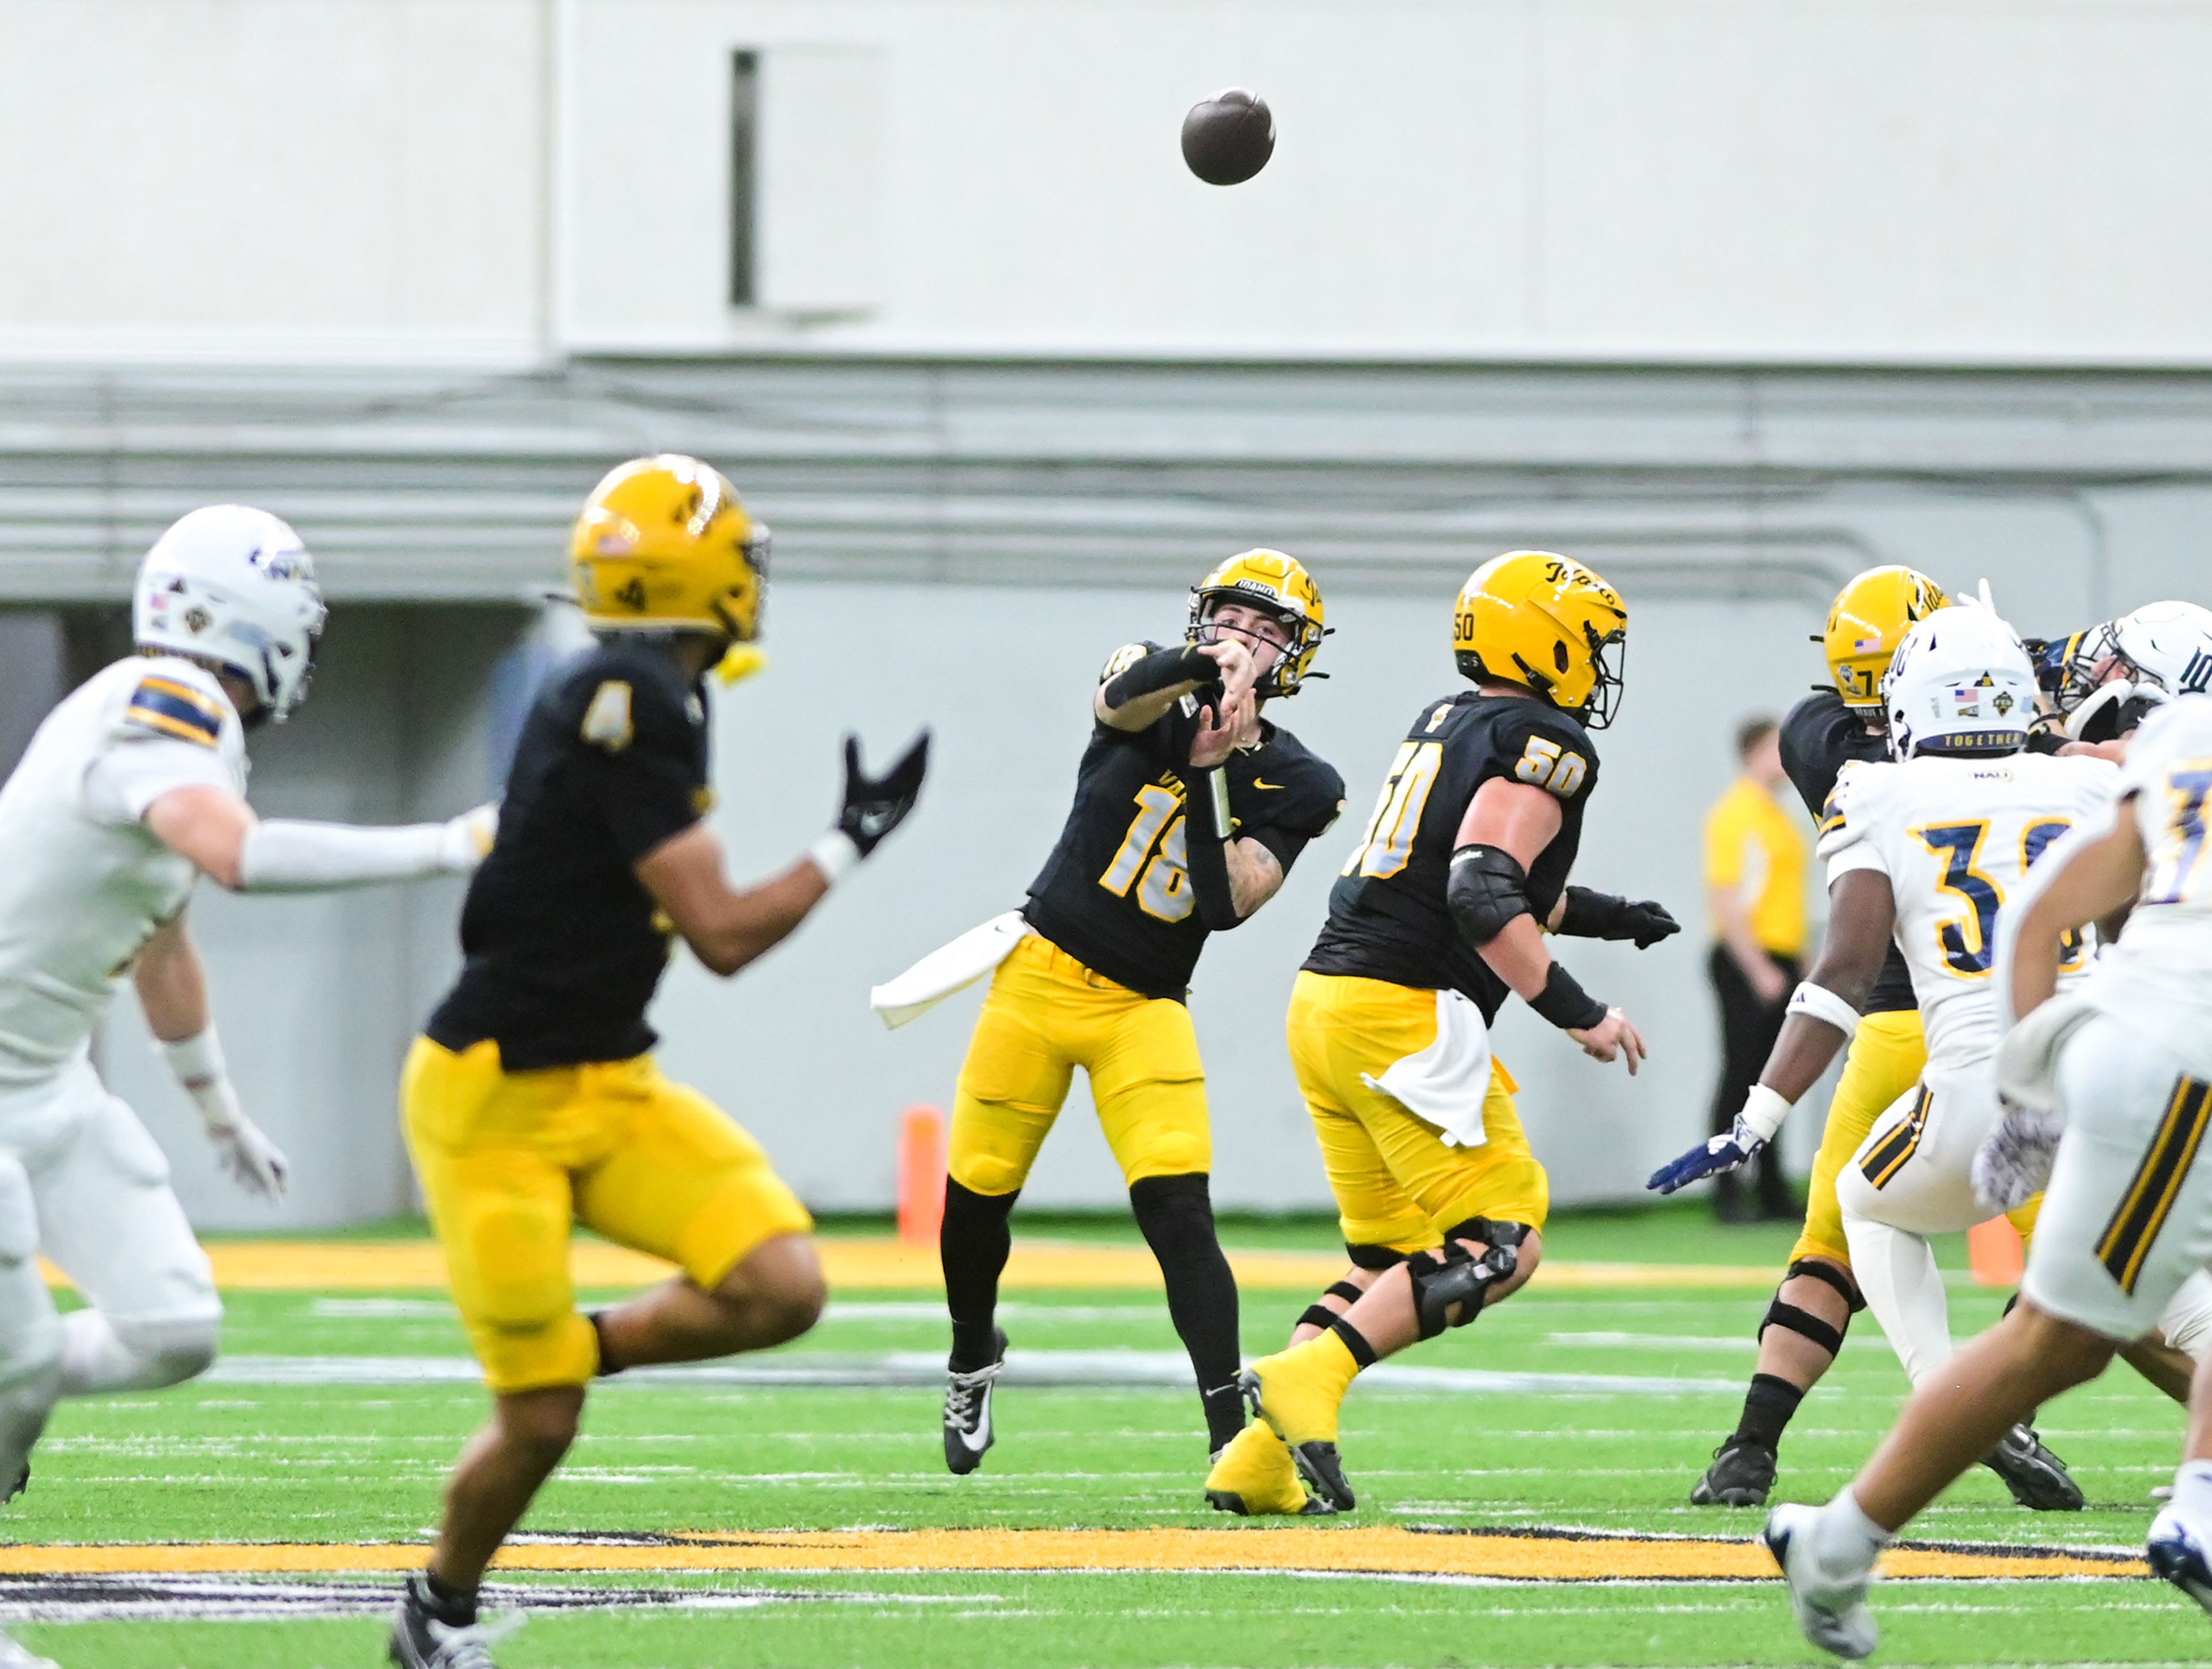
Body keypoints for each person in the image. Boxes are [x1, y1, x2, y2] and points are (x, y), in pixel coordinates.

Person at [389, 456, 927, 1669]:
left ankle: (579, 1344)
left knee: (781, 1284)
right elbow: (725, 935)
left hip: (607, 1078)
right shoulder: (630, 691)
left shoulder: (659, 682)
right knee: (538, 1424)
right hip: (493, 1100)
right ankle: (439, 1615)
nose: (753, 576)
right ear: (693, 570)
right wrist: (851, 842)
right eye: (736, 554)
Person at [0, 505, 495, 1669]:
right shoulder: (164, 700)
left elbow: (166, 935)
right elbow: (238, 858)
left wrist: (219, 1110)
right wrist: (448, 843)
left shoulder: (189, 730)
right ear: (250, 615)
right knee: (19, 1360)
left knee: (173, 1327)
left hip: (46, 1077)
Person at [1648, 604, 2191, 1516]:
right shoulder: (2091, 782)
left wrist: (1759, 1117)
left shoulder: (1871, 790)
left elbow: (1844, 971)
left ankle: (1956, 1402)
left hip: (1978, 1084)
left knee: (1864, 1199)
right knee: (2146, 1270)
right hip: (2121, 1070)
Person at [1202, 550, 1676, 1518]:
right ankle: (1307, 1380)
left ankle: (1255, 1460)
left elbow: (1473, 873)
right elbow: (1479, 887)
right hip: (1404, 1011)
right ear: (1544, 639)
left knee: (1384, 1261)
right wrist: (1581, 1011)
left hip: (1329, 1001)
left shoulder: (1450, 718)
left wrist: (1608, 911)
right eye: (1591, 641)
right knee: (1503, 1236)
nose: (1600, 663)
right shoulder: (1543, 735)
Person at [1766, 692, 2212, 1658]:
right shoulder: (2094, 767)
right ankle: (2201, 1512)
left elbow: (2044, 914)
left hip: (2117, 1048)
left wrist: (2030, 1088)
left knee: (2062, 1338)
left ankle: (1834, 1541)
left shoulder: (2174, 739)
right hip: (2191, 1051)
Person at [916, 551, 1344, 1482]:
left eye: (1268, 630)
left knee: (1179, 1209)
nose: (1245, 638)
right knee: (974, 1201)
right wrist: (1201, 686)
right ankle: (971, 1352)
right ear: (1201, 620)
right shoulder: (1150, 673)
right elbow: (1120, 703)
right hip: (1038, 975)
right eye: (1232, 618)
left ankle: (1228, 1428)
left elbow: (1227, 903)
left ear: (1295, 656)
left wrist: (1207, 771)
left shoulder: (1302, 780)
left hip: (1143, 1005)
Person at [1702, 715, 1810, 1221]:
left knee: (1776, 1078)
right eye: (1775, 749)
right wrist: (1758, 968)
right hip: (1748, 959)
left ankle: (1770, 1189)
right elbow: (1727, 899)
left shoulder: (1777, 816)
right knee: (1742, 1074)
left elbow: (1788, 899)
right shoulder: (1737, 815)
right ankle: (1726, 1188)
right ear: (1752, 754)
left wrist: (1805, 963)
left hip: (1782, 956)